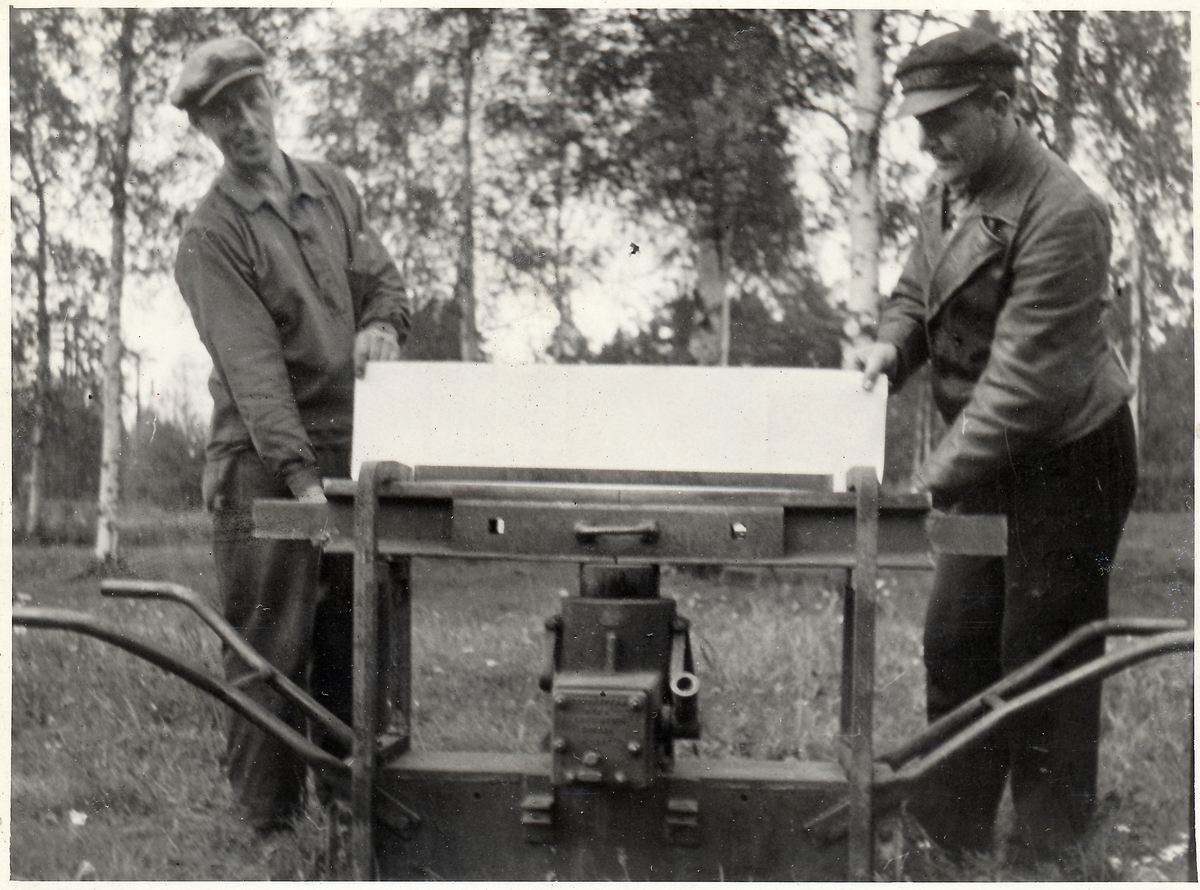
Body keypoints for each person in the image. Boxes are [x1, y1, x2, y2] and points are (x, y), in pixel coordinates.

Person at [859, 28, 1137, 863]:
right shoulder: (950, 188)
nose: (927, 142)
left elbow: (1023, 387)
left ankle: (1051, 850)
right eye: (919, 124)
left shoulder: (1066, 212)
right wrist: (891, 347)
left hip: (1066, 460)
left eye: (944, 121)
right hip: (987, 457)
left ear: (1003, 106)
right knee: (958, 638)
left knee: (1044, 650)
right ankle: (950, 837)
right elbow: (917, 292)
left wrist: (928, 482)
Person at [171, 35, 411, 834]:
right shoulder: (211, 237)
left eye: (252, 99)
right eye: (222, 113)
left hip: (349, 449)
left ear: (273, 95)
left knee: (353, 634)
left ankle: (352, 807)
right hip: (261, 462)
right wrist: (305, 485)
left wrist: (381, 324)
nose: (243, 122)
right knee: (270, 645)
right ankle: (268, 827)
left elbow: (383, 281)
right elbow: (255, 375)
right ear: (203, 130)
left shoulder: (332, 188)